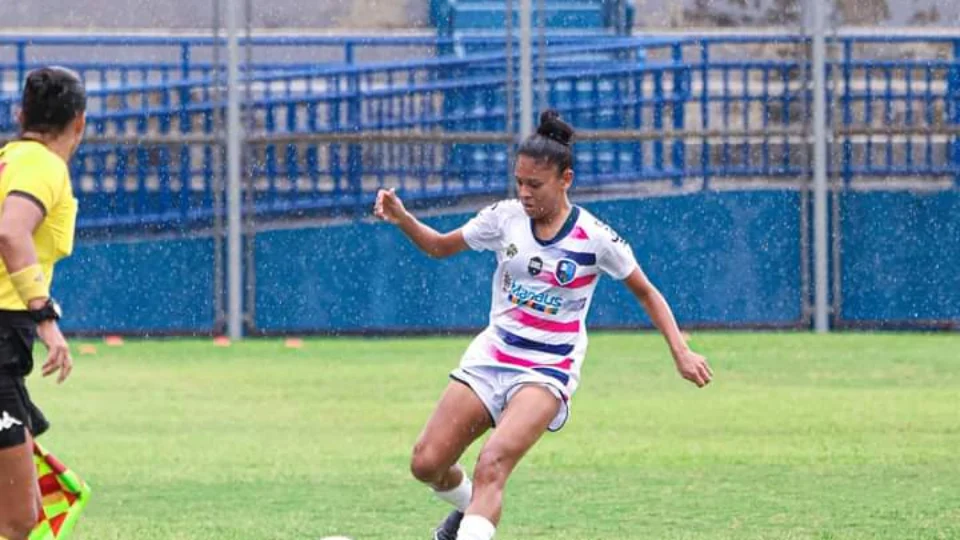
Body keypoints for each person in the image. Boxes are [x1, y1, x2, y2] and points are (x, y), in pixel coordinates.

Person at [374, 109, 713, 540]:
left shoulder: (594, 237)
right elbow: (441, 247)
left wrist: (680, 350)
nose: (524, 193)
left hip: (547, 369)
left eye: (534, 185)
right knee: (426, 463)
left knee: (492, 462)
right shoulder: (505, 218)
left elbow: (646, 290)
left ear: (565, 180)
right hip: (494, 355)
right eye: (518, 182)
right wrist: (403, 218)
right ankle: (469, 512)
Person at [0, 66, 85, 540]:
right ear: (80, 123)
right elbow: (11, 232)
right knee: (17, 519)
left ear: (20, 114)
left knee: (28, 511)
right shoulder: (44, 166)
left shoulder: (10, 159)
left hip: (8, 346)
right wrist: (46, 315)